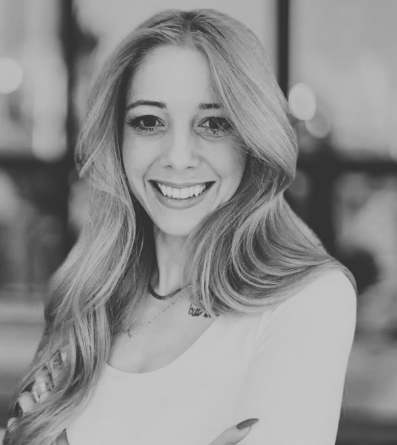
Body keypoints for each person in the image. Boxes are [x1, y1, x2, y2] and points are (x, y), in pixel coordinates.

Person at [4, 9, 357, 445]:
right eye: (149, 121)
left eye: (214, 123)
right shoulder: (90, 295)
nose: (178, 156)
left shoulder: (307, 299)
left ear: (252, 139)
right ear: (118, 138)